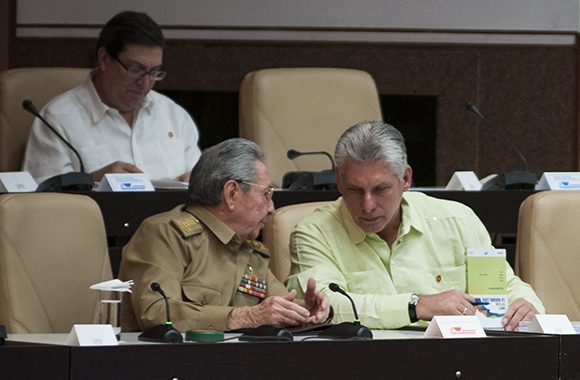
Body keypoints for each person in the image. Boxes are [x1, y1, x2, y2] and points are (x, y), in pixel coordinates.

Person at [286, 121, 544, 331]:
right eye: (354, 190)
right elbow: (325, 307)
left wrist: (526, 304)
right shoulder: (313, 232)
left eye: (380, 189)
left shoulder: (456, 220)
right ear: (339, 181)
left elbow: (506, 285)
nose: (367, 205)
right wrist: (416, 306)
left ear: (405, 179)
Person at [119, 138, 330, 332]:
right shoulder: (166, 235)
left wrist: (307, 312)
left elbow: (278, 308)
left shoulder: (250, 249)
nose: (271, 208)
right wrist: (244, 317)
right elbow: (156, 313)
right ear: (231, 193)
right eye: (266, 194)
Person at [22, 11, 201, 184]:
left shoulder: (174, 116)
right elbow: (41, 202)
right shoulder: (57, 121)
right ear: (104, 59)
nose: (145, 84)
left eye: (154, 72)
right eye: (135, 70)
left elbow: (199, 184)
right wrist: (91, 182)